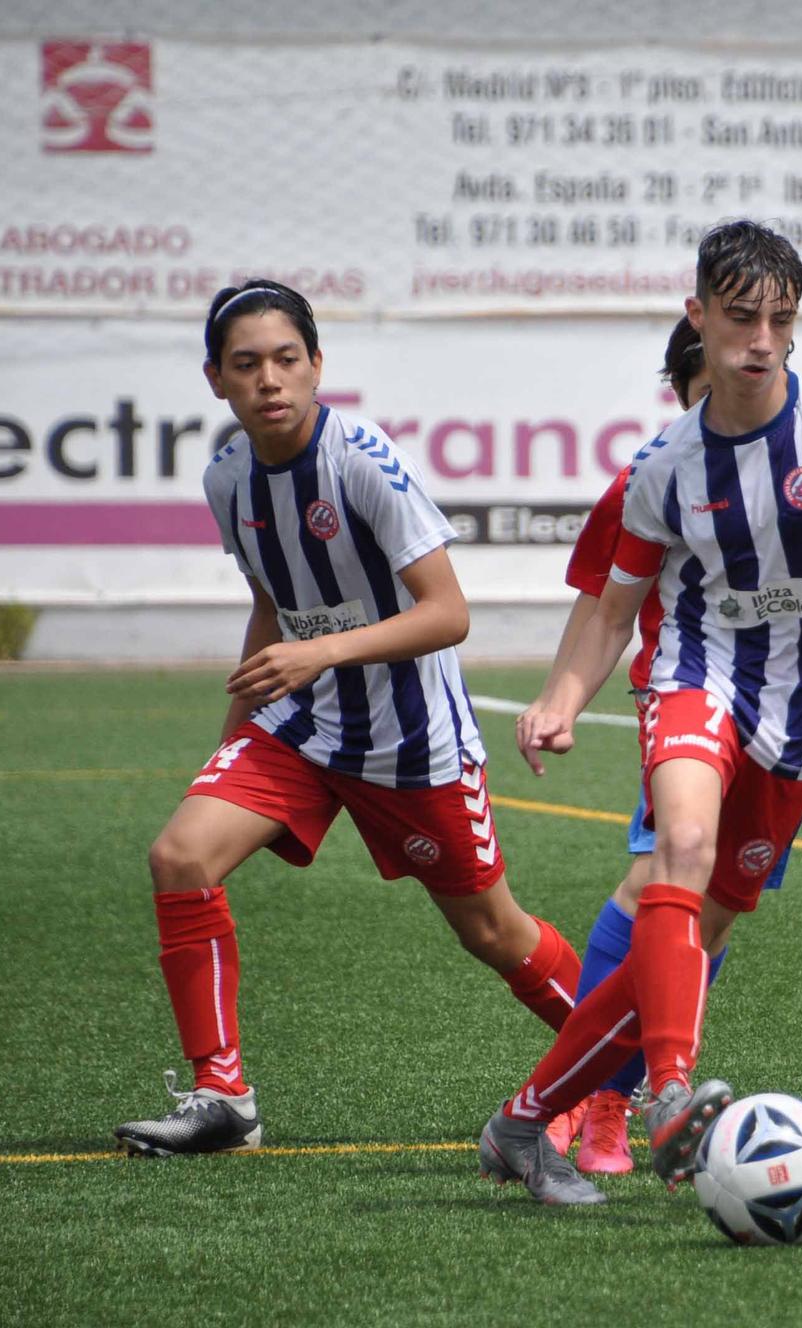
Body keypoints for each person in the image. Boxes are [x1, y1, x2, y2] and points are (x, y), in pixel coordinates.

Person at [476, 220, 802, 1205]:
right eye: (739, 317)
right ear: (698, 316)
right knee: (676, 843)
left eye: (778, 318)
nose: (760, 339)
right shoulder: (662, 467)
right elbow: (612, 609)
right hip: (697, 675)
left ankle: (523, 1118)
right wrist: (563, 695)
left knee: (696, 932)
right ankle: (671, 1093)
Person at [114, 280, 582, 1157]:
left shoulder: (359, 459)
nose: (270, 381)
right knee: (180, 856)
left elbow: (449, 613)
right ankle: (224, 1099)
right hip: (295, 727)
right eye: (246, 365)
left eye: (287, 360)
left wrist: (318, 652)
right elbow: (272, 606)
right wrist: (233, 742)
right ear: (216, 379)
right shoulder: (227, 479)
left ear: (318, 365)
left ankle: (618, 1058)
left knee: (492, 931)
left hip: (411, 741)